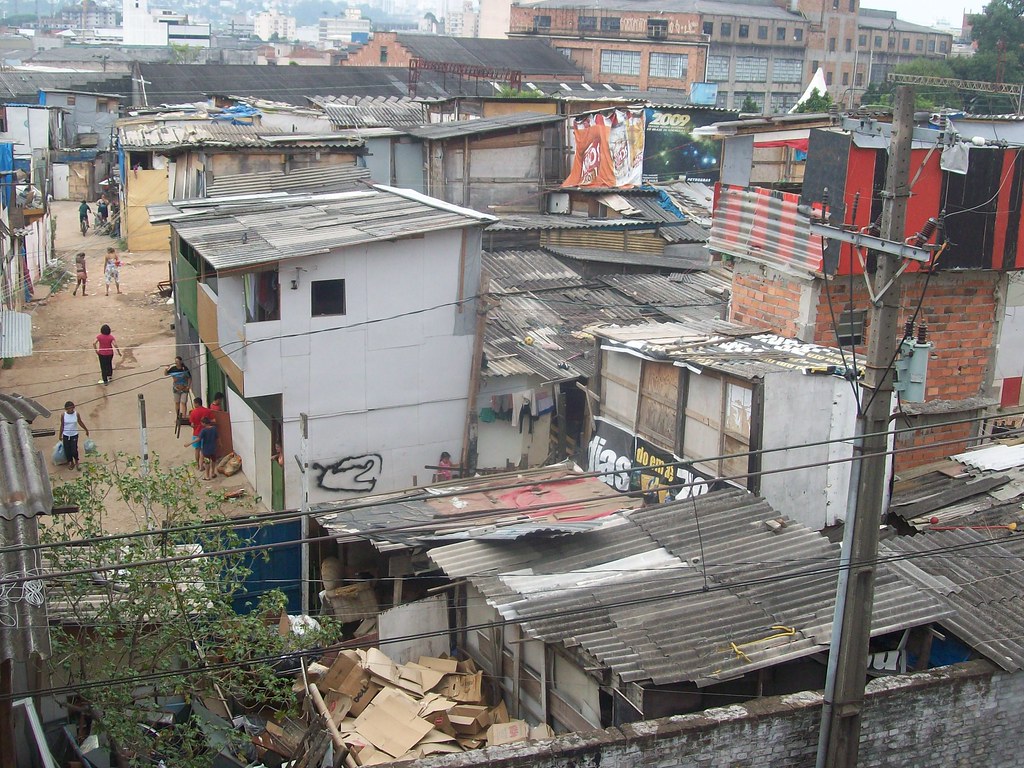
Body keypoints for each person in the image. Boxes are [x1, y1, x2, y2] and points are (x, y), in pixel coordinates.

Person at [60, 401, 90, 471]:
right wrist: (60, 435)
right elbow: (62, 425)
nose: (70, 410)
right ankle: (71, 462)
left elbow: (80, 422)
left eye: (71, 408)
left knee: (74, 450)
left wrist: (86, 429)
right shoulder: (63, 415)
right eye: (68, 408)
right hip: (66, 435)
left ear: (73, 407)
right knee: (67, 450)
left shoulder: (76, 414)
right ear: (66, 409)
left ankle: (76, 461)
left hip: (74, 435)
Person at [188, 397, 210, 468]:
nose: (194, 405)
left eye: (194, 403)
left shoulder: (193, 412)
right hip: (206, 433)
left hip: (196, 433)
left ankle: (198, 464)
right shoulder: (207, 411)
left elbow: (192, 424)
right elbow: (212, 420)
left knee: (197, 449)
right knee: (204, 450)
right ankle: (202, 465)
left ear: (197, 403)